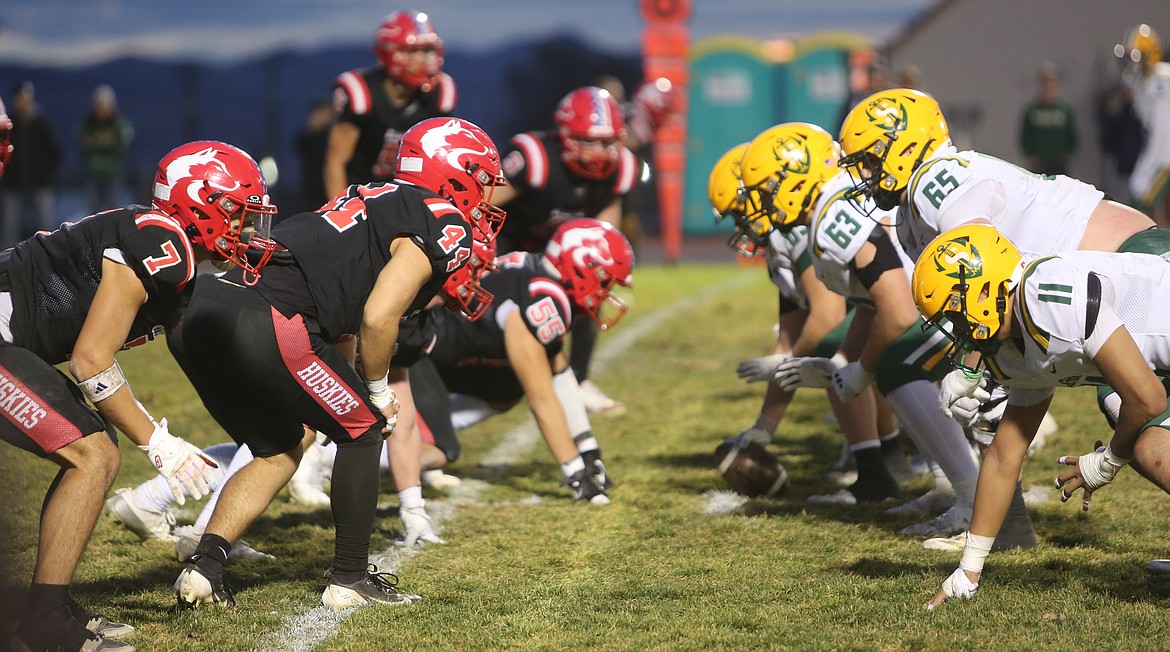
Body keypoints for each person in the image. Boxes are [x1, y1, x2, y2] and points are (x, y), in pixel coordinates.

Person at [171, 117, 506, 612]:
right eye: (481, 180)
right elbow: (378, 316)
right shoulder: (443, 218)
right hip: (272, 315)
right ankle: (349, 578)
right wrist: (374, 389)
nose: (487, 196)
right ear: (454, 173)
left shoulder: (373, 195)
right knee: (365, 430)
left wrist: (349, 384)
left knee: (278, 447)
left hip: (203, 309)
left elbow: (344, 318)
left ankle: (205, 567)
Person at [837, 86, 1161, 547]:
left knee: (1141, 423)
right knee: (999, 394)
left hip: (1132, 270)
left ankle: (998, 524)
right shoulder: (913, 209)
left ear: (905, 146)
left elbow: (975, 272)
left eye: (869, 159)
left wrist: (969, 367)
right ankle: (1005, 530)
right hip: (1091, 289)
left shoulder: (933, 182)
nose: (865, 174)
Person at [0, 139, 275, 652]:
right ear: (202, 205)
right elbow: (91, 360)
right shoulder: (162, 244)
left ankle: (46, 608)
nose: (249, 229)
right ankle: (42, 620)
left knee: (96, 449)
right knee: (93, 452)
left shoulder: (166, 244)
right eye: (240, 214)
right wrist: (158, 443)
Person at [739, 122, 987, 535]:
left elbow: (897, 309)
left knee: (894, 364)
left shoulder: (832, 213)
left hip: (963, 303)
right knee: (889, 359)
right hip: (950, 297)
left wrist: (862, 369)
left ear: (794, 178)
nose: (763, 203)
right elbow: (869, 304)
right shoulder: (833, 203)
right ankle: (955, 485)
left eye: (766, 190)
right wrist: (840, 361)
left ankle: (972, 498)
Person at [914, 224, 1170, 608]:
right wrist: (968, 569)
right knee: (1151, 446)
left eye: (954, 313)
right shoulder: (1010, 341)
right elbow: (1004, 456)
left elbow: (1148, 399)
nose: (956, 329)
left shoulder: (1046, 296)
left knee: (1141, 438)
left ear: (986, 290)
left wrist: (1107, 460)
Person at [708, 140, 915, 505]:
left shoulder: (798, 228)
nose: (742, 225)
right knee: (827, 349)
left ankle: (882, 465)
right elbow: (789, 338)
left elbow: (828, 316)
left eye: (740, 212)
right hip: (880, 310)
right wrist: (764, 428)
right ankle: (884, 459)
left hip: (908, 304)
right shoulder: (781, 240)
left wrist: (791, 364)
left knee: (830, 347)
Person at [490, 86, 638, 416]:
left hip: (557, 249)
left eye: (607, 142)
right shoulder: (535, 157)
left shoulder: (623, 167)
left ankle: (580, 380)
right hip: (508, 240)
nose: (600, 152)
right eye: (589, 141)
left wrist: (598, 271)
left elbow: (604, 235)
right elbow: (482, 206)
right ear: (566, 136)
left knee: (594, 281)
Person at [323, 9, 456, 200]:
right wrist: (338, 211)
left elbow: (442, 159)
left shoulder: (442, 91)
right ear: (390, 51)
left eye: (427, 51)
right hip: (359, 197)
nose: (423, 59)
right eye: (414, 51)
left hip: (412, 198)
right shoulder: (361, 92)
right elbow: (336, 162)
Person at [1116, 24, 1170, 228]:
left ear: (1150, 56)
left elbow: (1162, 132)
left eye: (1136, 57)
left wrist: (1147, 169)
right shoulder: (1149, 79)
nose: (1131, 63)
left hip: (1164, 153)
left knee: (1143, 201)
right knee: (1150, 206)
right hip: (1163, 150)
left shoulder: (1159, 83)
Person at [0, 81, 62, 248]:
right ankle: (7, 265)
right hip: (14, 184)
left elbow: (56, 152)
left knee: (45, 228)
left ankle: (47, 261)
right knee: (10, 229)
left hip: (40, 184)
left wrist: (45, 174)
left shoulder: (42, 123)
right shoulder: (8, 124)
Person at [78, 84, 135, 214]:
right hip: (92, 173)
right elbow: (81, 142)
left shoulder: (119, 123)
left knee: (112, 211)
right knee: (92, 214)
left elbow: (123, 143)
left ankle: (111, 234)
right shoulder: (88, 124)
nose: (101, 109)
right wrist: (107, 144)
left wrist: (96, 144)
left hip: (112, 173)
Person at [1017, 63, 1077, 176]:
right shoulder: (1032, 110)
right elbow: (1025, 135)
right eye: (1045, 81)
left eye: (1052, 81)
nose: (1048, 85)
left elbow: (1072, 134)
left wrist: (1068, 155)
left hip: (1059, 164)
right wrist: (1030, 155)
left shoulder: (1064, 109)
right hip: (1038, 164)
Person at [293, 98, 335, 213]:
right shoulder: (312, 134)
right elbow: (299, 146)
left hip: (331, 183)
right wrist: (312, 128)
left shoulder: (334, 132)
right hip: (312, 186)